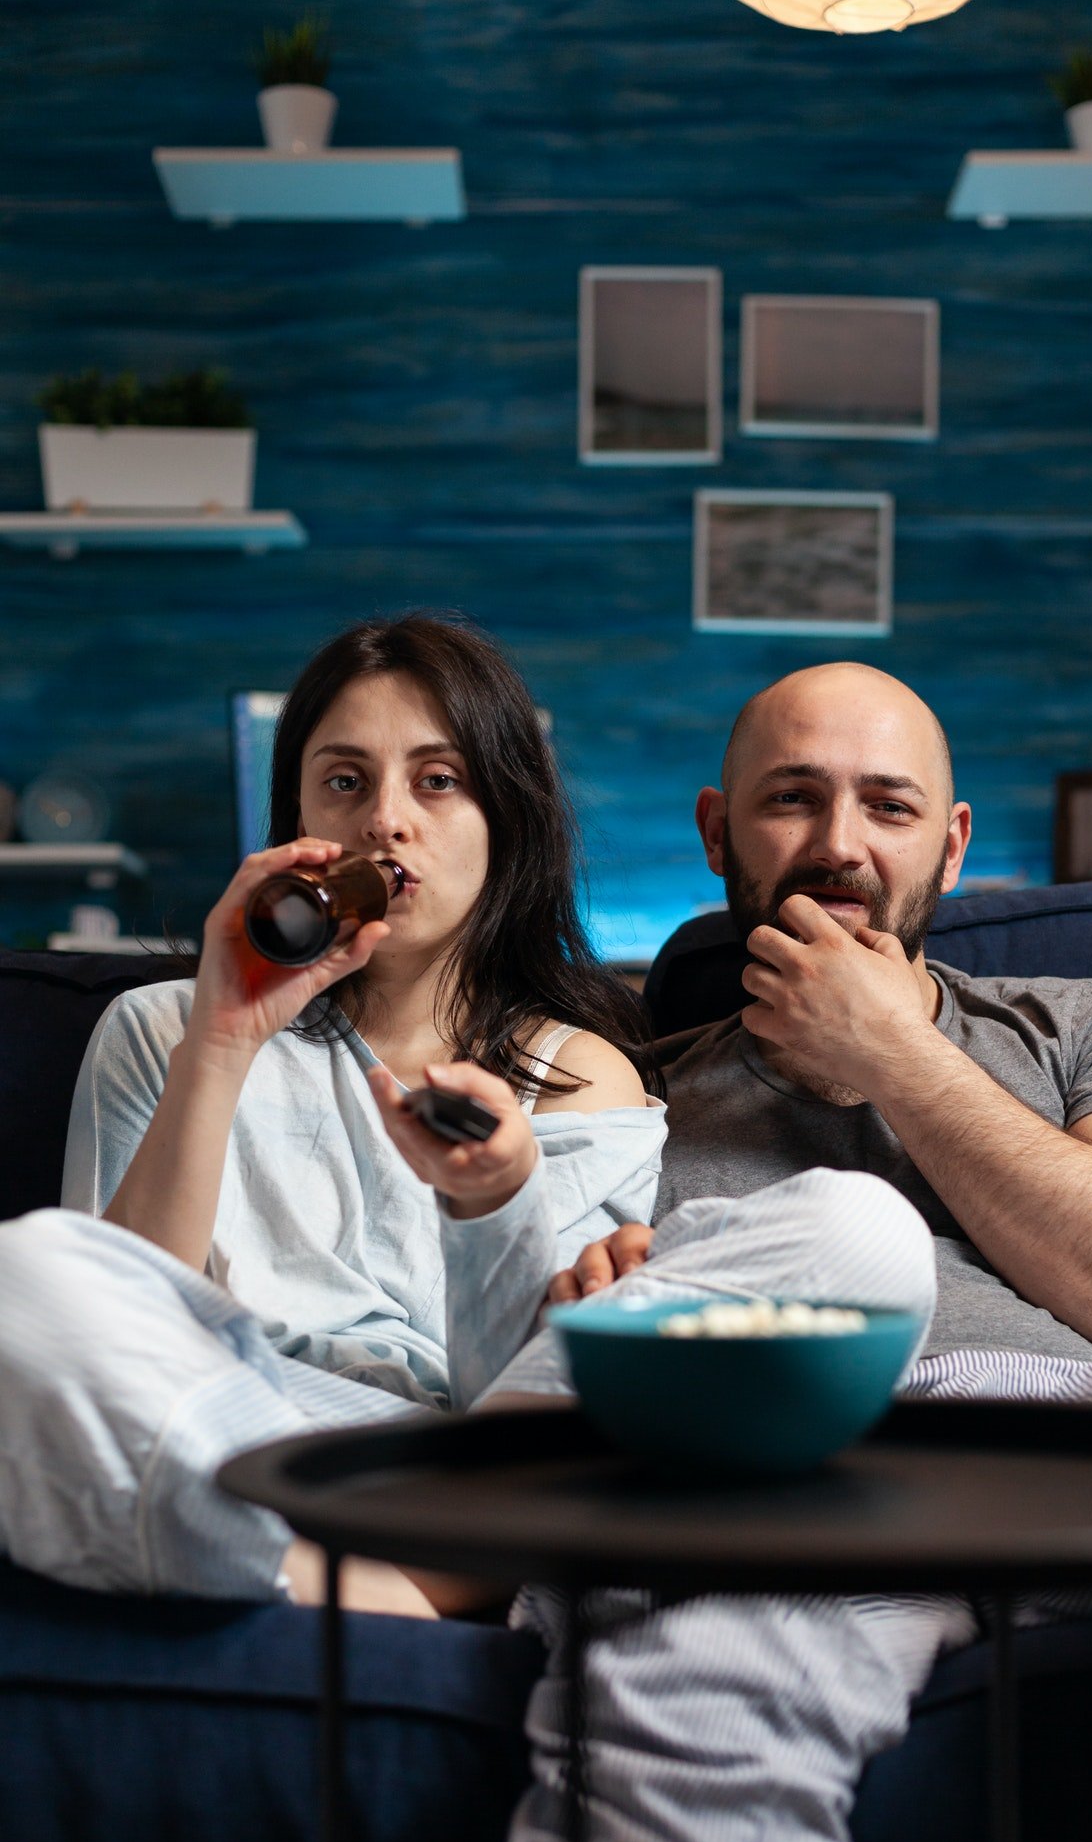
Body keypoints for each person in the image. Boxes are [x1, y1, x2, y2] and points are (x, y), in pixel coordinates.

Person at [447, 663, 1092, 1842]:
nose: (841, 846)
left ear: (953, 842)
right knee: (689, 1671)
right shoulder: (619, 1087)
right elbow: (527, 1326)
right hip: (801, 1477)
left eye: (890, 806)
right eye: (792, 801)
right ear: (715, 832)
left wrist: (899, 1058)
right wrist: (597, 1291)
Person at [0, 611, 666, 1615]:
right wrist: (222, 1043)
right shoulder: (160, 1027)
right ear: (295, 820)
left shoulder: (578, 1075)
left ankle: (304, 1576)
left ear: (505, 817)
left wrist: (493, 1202)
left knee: (842, 1233)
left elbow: (521, 1398)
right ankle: (408, 1586)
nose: (384, 821)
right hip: (236, 1428)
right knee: (28, 1271)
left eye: (436, 781)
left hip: (459, 1464)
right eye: (345, 781)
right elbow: (126, 1312)